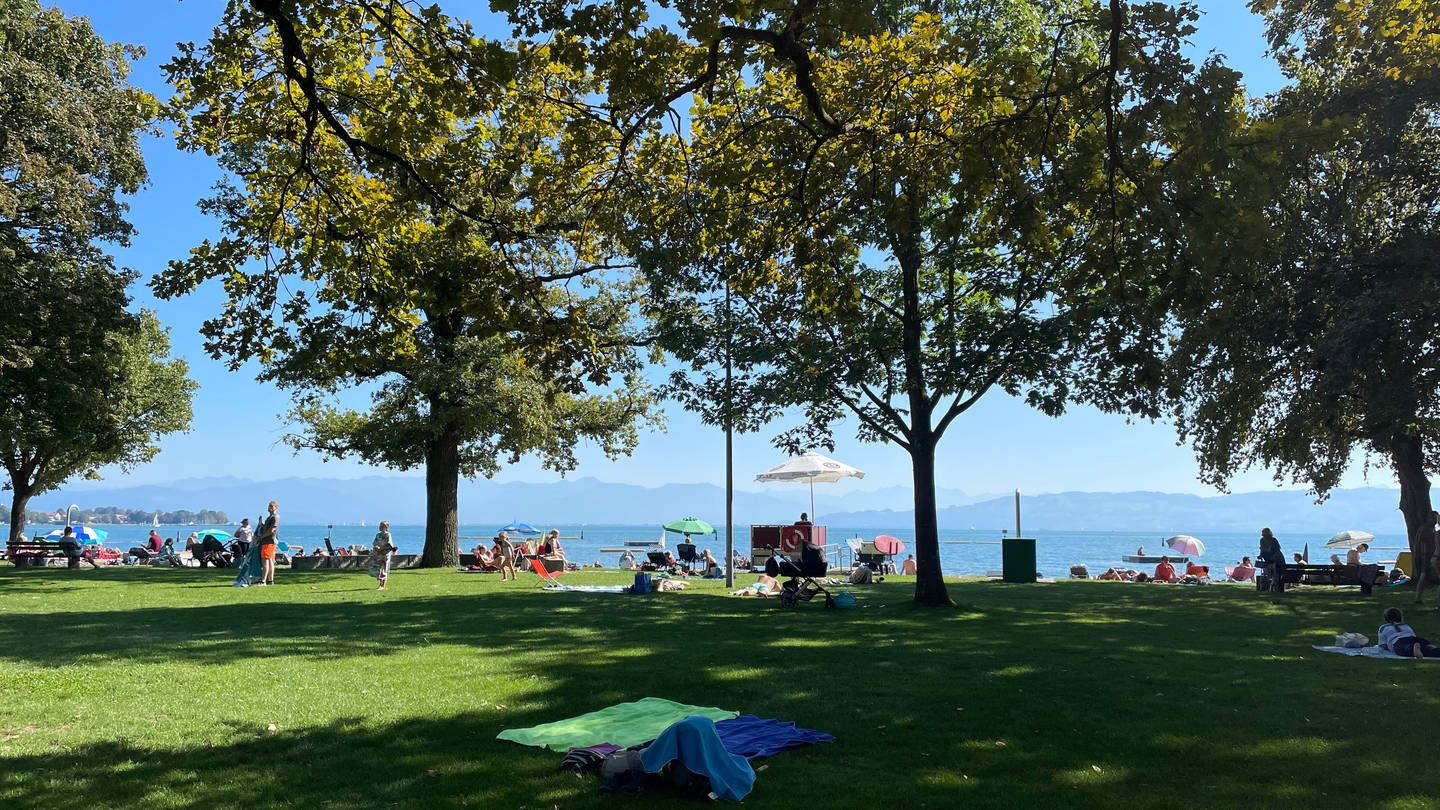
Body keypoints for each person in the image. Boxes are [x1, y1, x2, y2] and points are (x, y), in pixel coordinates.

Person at [368, 520, 396, 590]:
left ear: (386, 527)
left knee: (384, 569)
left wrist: (381, 548)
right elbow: (374, 543)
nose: (380, 527)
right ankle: (380, 584)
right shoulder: (378, 535)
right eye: (380, 525)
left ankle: (382, 585)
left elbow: (390, 546)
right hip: (378, 554)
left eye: (382, 526)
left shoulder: (388, 535)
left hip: (385, 554)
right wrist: (375, 548)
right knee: (378, 569)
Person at [257, 500, 279, 586]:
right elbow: (266, 528)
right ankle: (270, 580)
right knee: (270, 560)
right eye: (269, 506)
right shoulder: (269, 518)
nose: (270, 508)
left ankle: (263, 581)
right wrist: (261, 522)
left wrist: (261, 537)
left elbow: (272, 530)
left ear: (276, 507)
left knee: (265, 561)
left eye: (272, 506)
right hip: (267, 541)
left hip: (269, 541)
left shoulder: (275, 517)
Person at [1257, 527, 1285, 592]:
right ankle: (1270, 587)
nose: (1264, 536)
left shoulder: (1274, 540)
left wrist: (1273, 558)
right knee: (1269, 573)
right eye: (1263, 535)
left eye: (1265, 535)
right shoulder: (1262, 540)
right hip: (1268, 559)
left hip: (1277, 560)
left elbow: (1277, 551)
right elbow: (1262, 549)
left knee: (1277, 573)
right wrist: (1260, 556)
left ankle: (1277, 588)